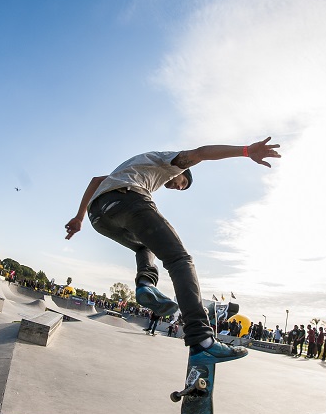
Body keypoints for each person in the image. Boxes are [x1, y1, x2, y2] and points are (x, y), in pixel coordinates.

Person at [65, 138, 281, 366]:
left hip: (99, 216)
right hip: (129, 199)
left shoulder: (133, 167)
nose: (177, 187)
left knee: (144, 245)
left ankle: (146, 284)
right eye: (182, 183)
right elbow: (202, 152)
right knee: (180, 259)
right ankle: (203, 340)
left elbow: (97, 180)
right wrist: (246, 151)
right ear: (181, 171)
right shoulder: (170, 162)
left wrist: (79, 217)